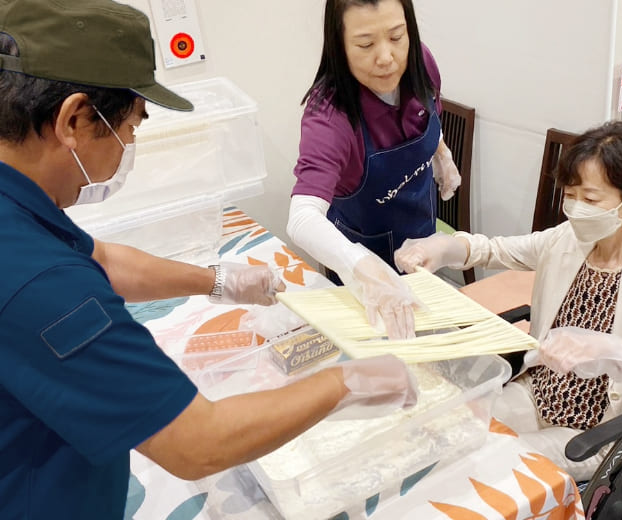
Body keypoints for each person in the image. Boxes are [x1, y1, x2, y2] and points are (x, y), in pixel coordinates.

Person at [0, 2, 418, 519]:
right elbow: (197, 443)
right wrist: (345, 382)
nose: (130, 144)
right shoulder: (43, 284)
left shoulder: (18, 205)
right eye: (130, 128)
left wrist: (218, 280)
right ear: (74, 120)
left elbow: (101, 258)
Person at [394, 121, 622, 480]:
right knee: (448, 432)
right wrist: (444, 246)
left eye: (590, 199)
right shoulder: (567, 240)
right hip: (537, 393)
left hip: (598, 430)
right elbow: (493, 249)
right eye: (570, 195)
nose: (574, 209)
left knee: (488, 466)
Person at [286, 0, 462, 340]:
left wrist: (441, 152)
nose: (386, 58)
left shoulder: (420, 62)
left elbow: (430, 113)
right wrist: (361, 266)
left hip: (420, 247)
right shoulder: (330, 115)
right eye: (366, 44)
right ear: (338, 45)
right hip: (364, 274)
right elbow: (302, 218)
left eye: (397, 37)